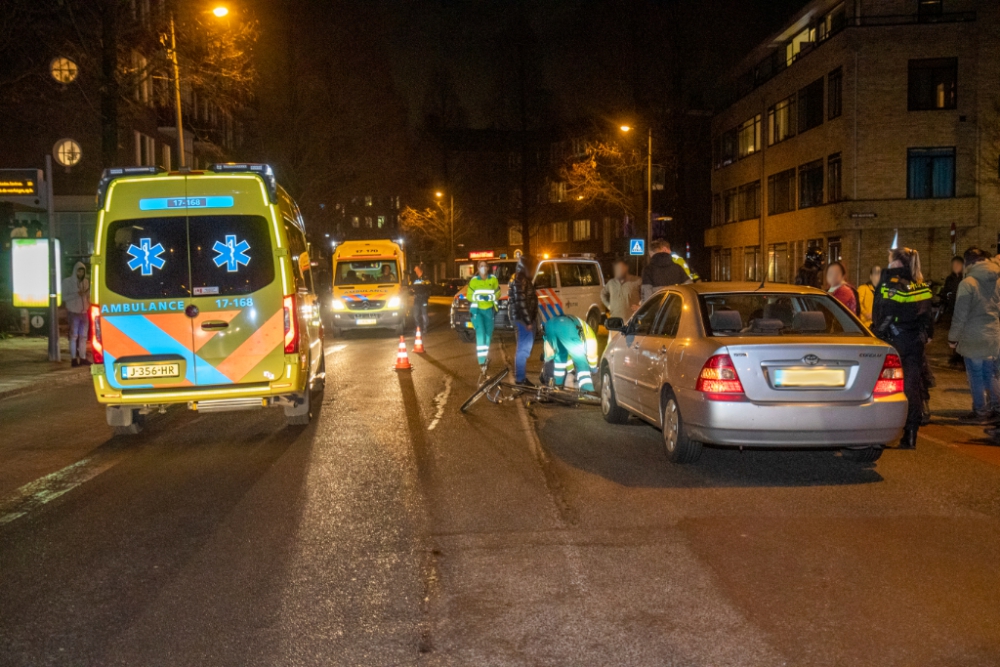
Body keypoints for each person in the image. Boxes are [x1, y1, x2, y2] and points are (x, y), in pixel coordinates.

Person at [872, 247, 933, 449]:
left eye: (890, 260)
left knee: (887, 387)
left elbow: (886, 314)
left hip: (895, 340)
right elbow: (927, 317)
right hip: (915, 342)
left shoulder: (891, 284)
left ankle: (882, 432)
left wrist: (876, 335)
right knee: (911, 387)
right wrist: (927, 336)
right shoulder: (920, 285)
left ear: (897, 263)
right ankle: (910, 435)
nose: (888, 264)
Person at [947, 248, 1000, 423]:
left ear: (968, 262)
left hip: (973, 337)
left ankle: (981, 412)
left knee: (976, 376)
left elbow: (960, 315)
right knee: (991, 374)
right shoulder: (997, 280)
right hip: (993, 335)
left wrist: (953, 338)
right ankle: (996, 409)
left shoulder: (968, 283)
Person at [540, 314, 599, 392]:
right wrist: (593, 369)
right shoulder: (591, 337)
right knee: (581, 361)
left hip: (550, 324)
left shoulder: (582, 328)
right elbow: (592, 356)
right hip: (567, 327)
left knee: (559, 358)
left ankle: (557, 385)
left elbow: (568, 356)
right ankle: (588, 389)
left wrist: (571, 370)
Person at [507, 255, 539, 386]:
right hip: (522, 319)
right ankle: (520, 379)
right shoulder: (522, 279)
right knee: (523, 349)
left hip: (520, 318)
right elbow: (522, 302)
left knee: (523, 348)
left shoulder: (519, 278)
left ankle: (521, 378)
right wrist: (528, 321)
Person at [466, 260, 499, 371]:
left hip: (489, 310)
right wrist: (479, 297)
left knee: (488, 335)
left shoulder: (493, 279)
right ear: (478, 268)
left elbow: (497, 292)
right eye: (481, 266)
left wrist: (490, 298)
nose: (483, 268)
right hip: (477, 311)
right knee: (481, 335)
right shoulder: (474, 281)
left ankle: (484, 358)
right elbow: (469, 296)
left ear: (488, 267)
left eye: (485, 266)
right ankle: (481, 362)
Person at [62, 261, 90, 366]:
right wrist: (77, 294)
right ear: (75, 271)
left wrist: (89, 302)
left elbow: (87, 296)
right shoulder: (67, 282)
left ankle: (82, 358)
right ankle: (73, 359)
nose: (81, 274)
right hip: (73, 312)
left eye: (82, 272)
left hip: (84, 312)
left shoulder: (86, 282)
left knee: (83, 336)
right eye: (79, 271)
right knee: (74, 336)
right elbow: (64, 297)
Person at [940, 255, 965, 321]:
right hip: (952, 307)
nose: (955, 266)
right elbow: (945, 290)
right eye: (954, 264)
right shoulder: (949, 278)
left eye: (958, 264)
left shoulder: (965, 278)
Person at [410, 264, 431, 336]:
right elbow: (412, 287)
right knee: (415, 315)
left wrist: (418, 287)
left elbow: (428, 286)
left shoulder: (425, 277)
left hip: (423, 298)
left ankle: (425, 327)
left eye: (416, 269)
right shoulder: (415, 278)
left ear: (419, 269)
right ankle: (418, 328)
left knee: (424, 314)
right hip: (417, 298)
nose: (414, 271)